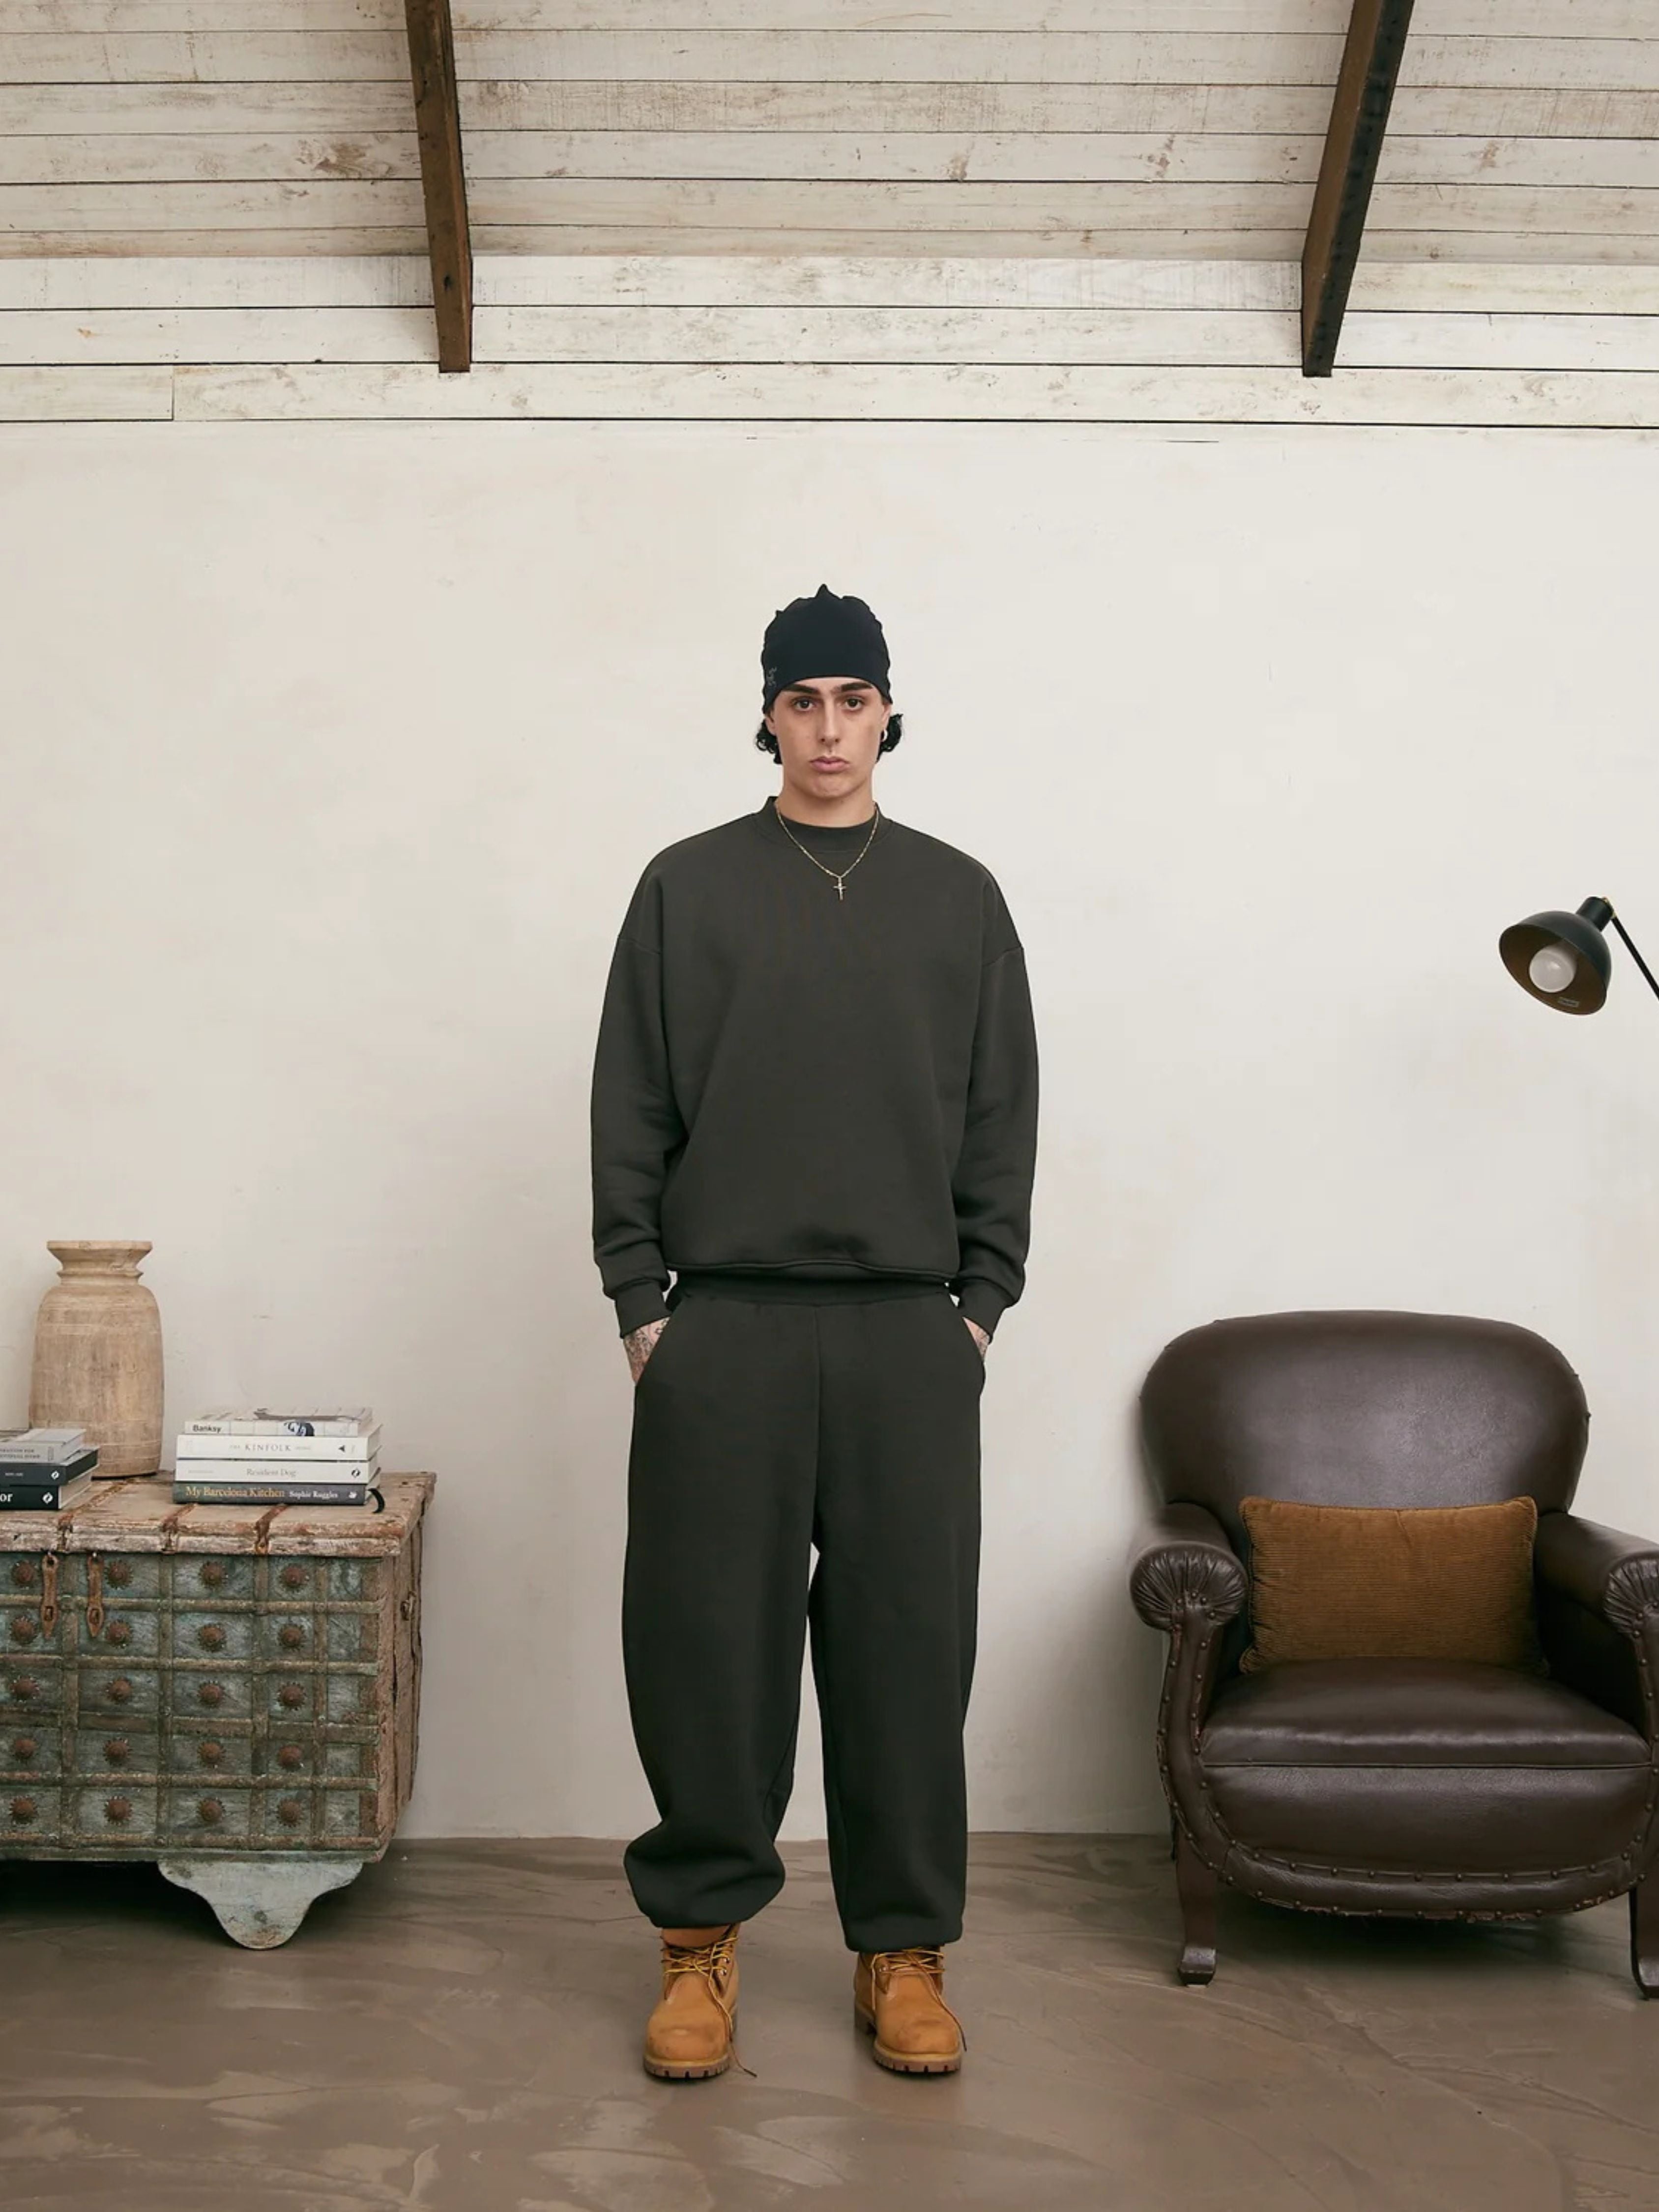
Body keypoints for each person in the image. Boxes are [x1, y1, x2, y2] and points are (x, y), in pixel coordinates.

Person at [589, 583, 1039, 2080]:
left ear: (891, 713)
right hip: (725, 1329)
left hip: (912, 1333)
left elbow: (1000, 1116)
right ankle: (699, 1943)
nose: (829, 728)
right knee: (705, 1642)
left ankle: (901, 1951)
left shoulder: (961, 897)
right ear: (767, 715)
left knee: (911, 1647)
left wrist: (977, 1303)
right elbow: (632, 1105)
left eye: (854, 700)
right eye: (803, 701)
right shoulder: (685, 886)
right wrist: (648, 1308)